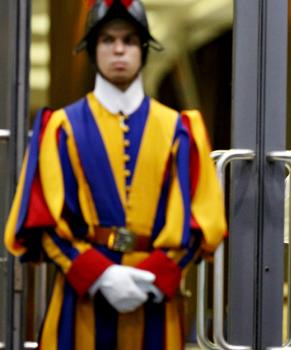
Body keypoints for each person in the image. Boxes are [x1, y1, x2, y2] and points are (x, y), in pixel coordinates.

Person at [3, 1, 226, 349]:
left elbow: (201, 220)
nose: (119, 48)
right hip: (81, 302)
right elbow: (41, 218)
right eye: (107, 39)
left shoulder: (180, 129)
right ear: (93, 49)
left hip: (155, 301)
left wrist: (157, 276)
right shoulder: (60, 128)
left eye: (130, 39)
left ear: (143, 49)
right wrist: (98, 274)